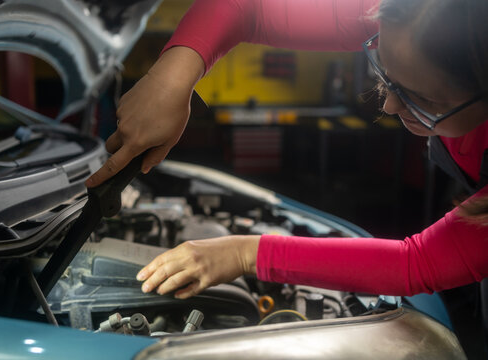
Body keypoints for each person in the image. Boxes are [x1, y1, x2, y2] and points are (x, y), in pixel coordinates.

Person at [85, 0, 488, 303]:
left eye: (423, 100)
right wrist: (169, 78)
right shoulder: (408, 14)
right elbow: (247, 9)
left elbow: (416, 264)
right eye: (383, 69)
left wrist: (245, 252)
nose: (388, 107)